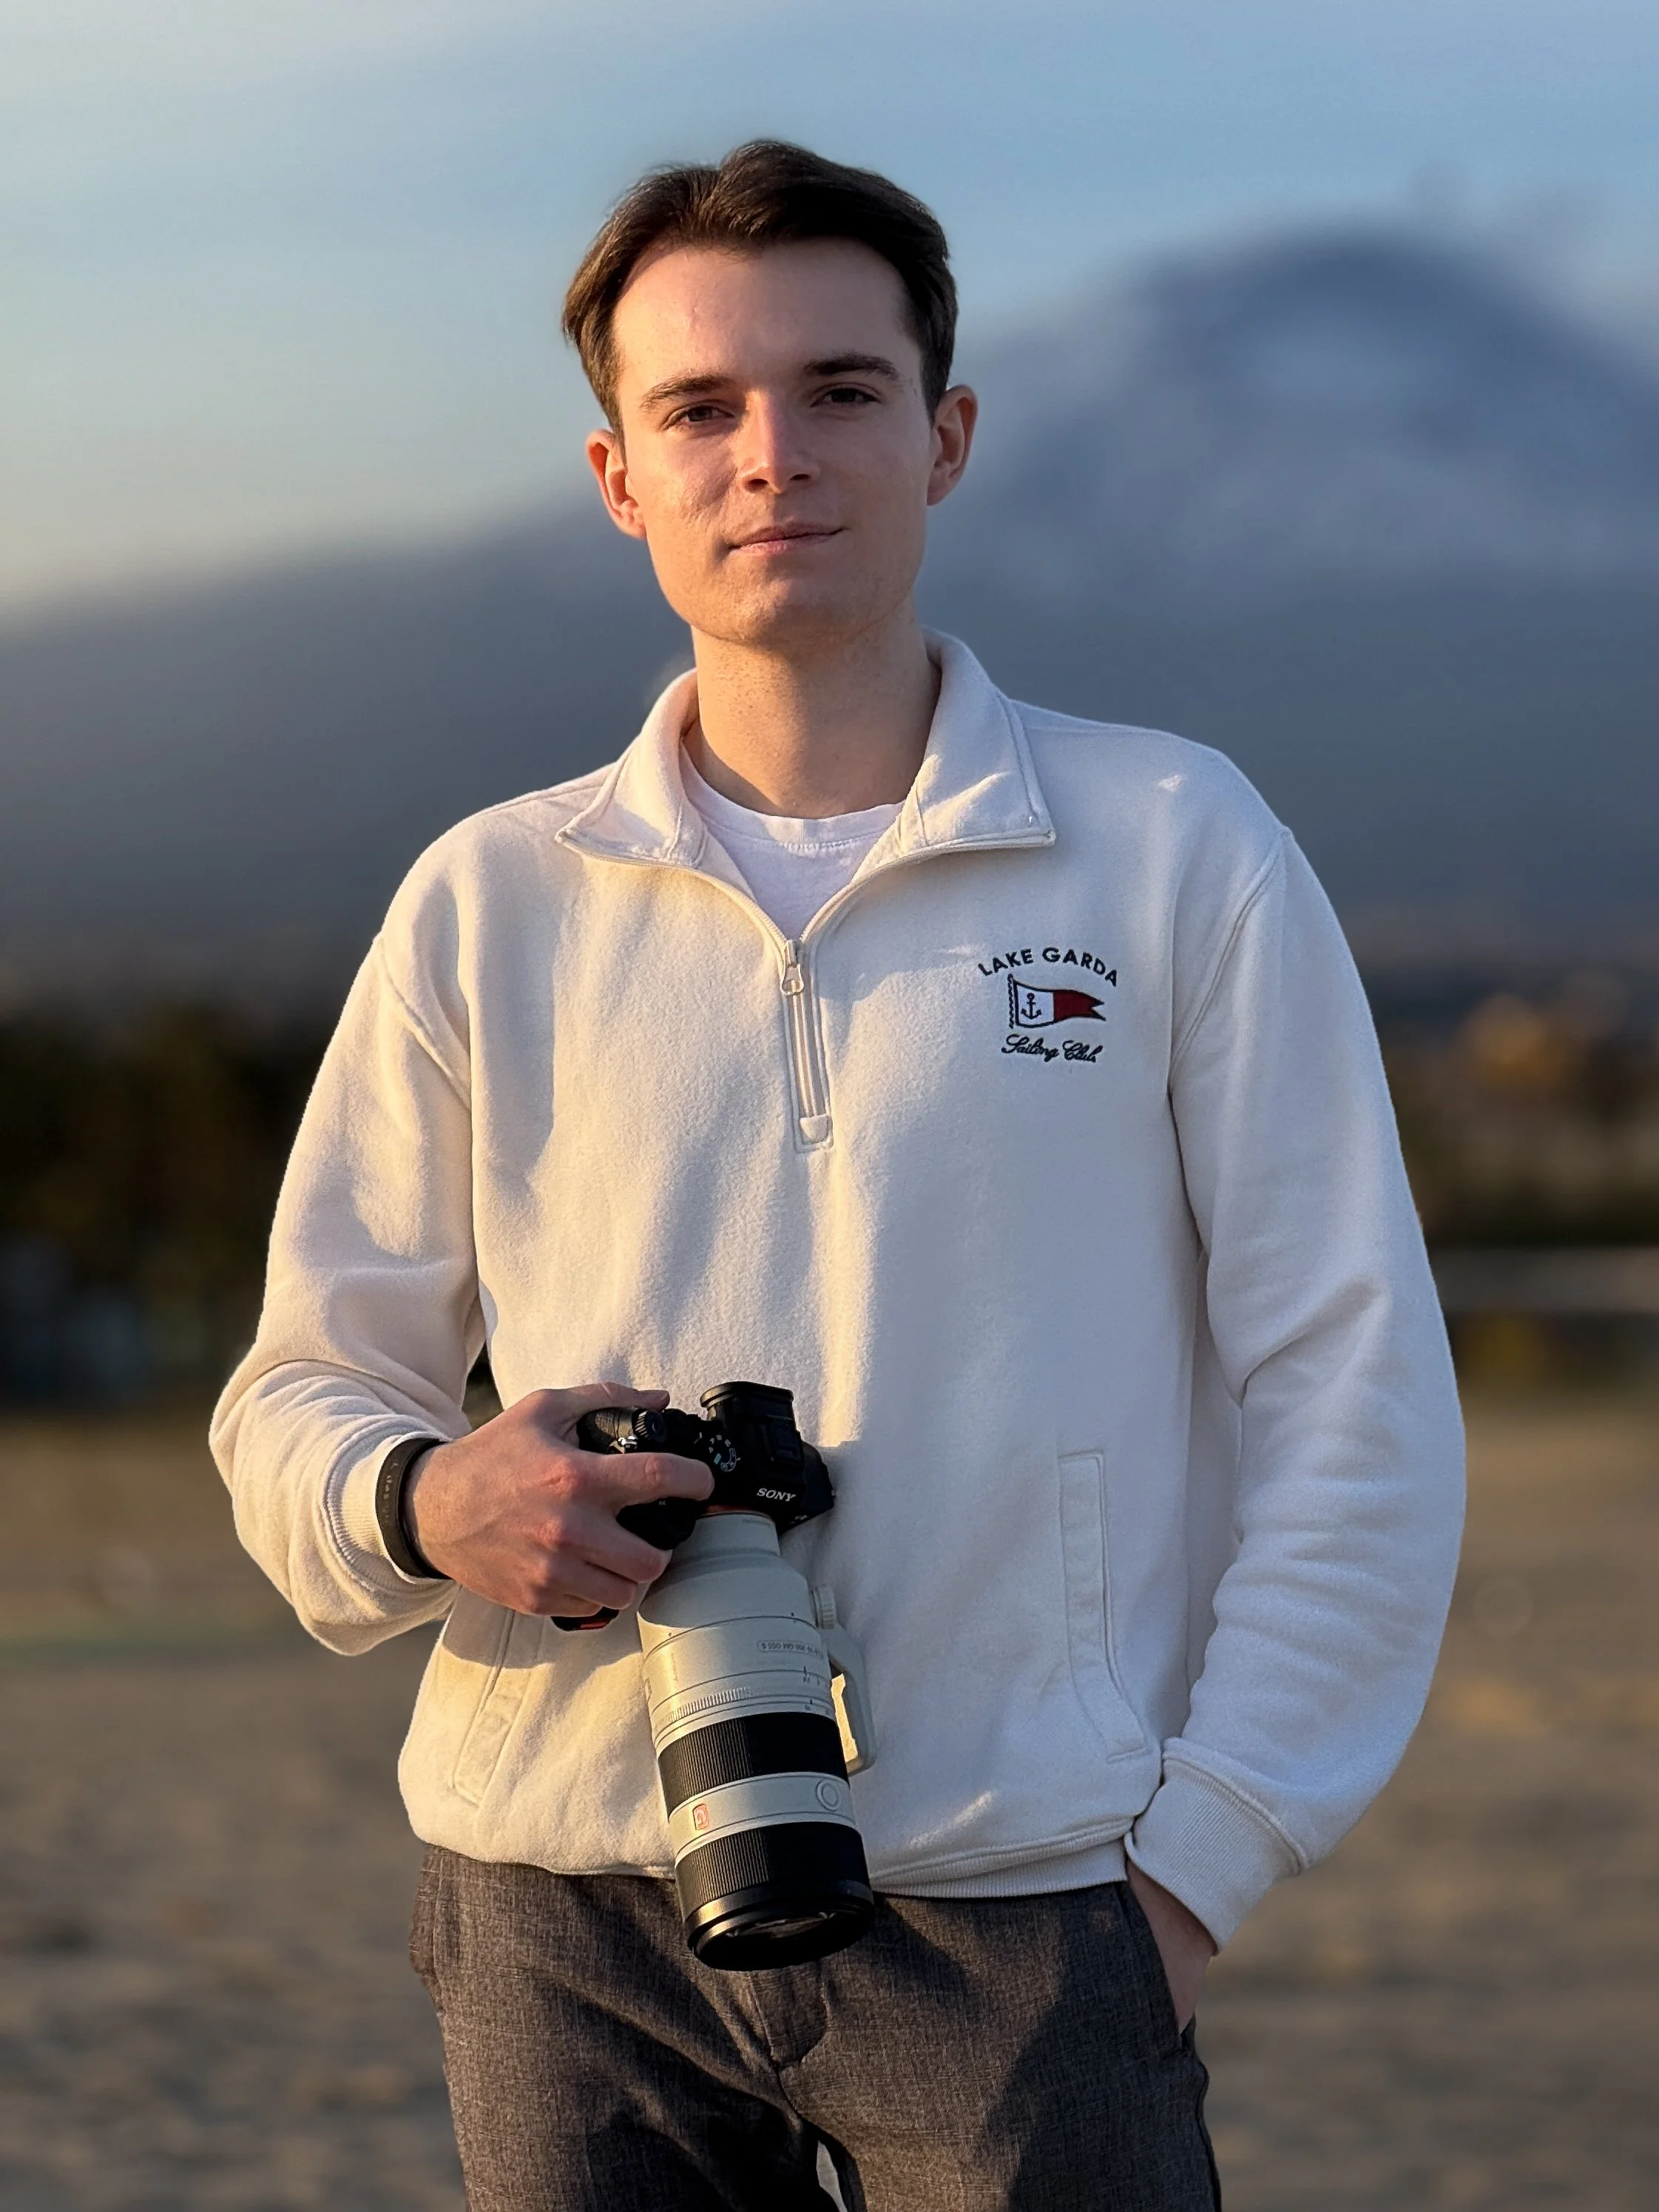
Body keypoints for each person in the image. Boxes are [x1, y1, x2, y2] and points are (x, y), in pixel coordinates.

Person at [212, 141, 1464, 2211]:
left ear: (946, 433)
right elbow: (294, 1394)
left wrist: (1197, 1861)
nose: (769, 455)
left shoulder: (1172, 845)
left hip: (1039, 1902)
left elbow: (1356, 1383)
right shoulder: (490, 902)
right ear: (619, 475)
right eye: (698, 408)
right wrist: (430, 1496)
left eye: (840, 390)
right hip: (563, 1913)